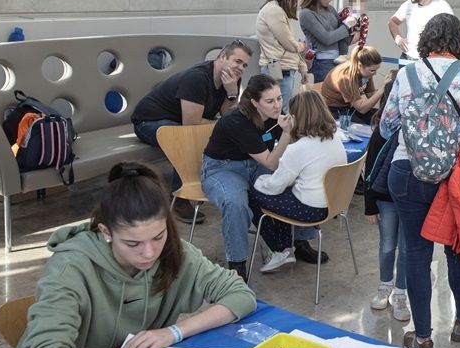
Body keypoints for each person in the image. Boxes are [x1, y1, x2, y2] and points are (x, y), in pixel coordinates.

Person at [0, 163, 256, 348]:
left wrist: (173, 332)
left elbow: (240, 295)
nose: (149, 253)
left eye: (158, 236)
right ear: (106, 232)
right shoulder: (70, 268)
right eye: (132, 244)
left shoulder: (175, 253)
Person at [382, 13, 460, 348]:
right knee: (458, 251)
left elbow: (387, 126)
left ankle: (422, 337)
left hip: (407, 172)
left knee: (416, 254)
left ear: (426, 42)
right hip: (454, 178)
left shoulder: (406, 74)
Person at [201, 75, 319, 276]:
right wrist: (287, 134)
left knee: (294, 183)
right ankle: (237, 265)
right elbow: (271, 162)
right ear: (254, 102)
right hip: (223, 169)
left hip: (254, 165)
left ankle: (299, 241)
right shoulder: (236, 121)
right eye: (270, 101)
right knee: (235, 204)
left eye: (279, 98)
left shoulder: (274, 114)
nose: (277, 105)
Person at [131, 39, 250, 214]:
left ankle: (214, 184)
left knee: (206, 135)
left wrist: (232, 93)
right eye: (237, 61)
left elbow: (227, 115)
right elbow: (192, 124)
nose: (241, 68)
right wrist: (221, 125)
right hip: (149, 122)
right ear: (223, 56)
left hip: (177, 122)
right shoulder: (198, 78)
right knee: (186, 139)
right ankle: (180, 199)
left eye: (245, 65)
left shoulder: (232, 79)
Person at [248, 90, 349, 274]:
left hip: (311, 210)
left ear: (296, 117)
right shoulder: (334, 137)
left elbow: (275, 186)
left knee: (253, 194)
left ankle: (281, 250)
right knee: (282, 197)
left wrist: (259, 181)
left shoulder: (298, 149)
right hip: (334, 204)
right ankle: (287, 246)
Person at [362, 79, 409, 322]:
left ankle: (400, 293)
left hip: (410, 200)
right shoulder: (381, 133)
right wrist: (369, 206)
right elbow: (370, 171)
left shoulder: (419, 130)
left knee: (407, 248)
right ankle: (384, 285)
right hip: (386, 200)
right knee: (387, 245)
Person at [256, 0, 309, 112]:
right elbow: (290, 45)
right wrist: (301, 46)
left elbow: (288, 45)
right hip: (278, 68)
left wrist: (302, 67)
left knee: (280, 111)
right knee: (277, 112)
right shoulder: (274, 11)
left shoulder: (278, 10)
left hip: (283, 68)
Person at [299, 0, 360, 85]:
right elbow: (327, 38)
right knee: (326, 98)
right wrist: (346, 26)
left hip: (339, 59)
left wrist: (353, 34)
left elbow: (340, 36)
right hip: (322, 63)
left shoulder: (331, 9)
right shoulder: (306, 14)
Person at [388, 0, 453, 59]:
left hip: (430, 59)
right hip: (408, 57)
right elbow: (393, 21)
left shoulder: (442, 6)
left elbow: (453, 32)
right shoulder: (408, 5)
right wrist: (398, 39)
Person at [320, 45, 387, 124]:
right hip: (332, 110)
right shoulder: (346, 76)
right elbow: (362, 109)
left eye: (376, 70)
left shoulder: (366, 72)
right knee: (362, 126)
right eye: (372, 70)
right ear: (360, 66)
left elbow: (371, 95)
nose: (375, 73)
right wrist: (381, 89)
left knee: (382, 118)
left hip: (351, 107)